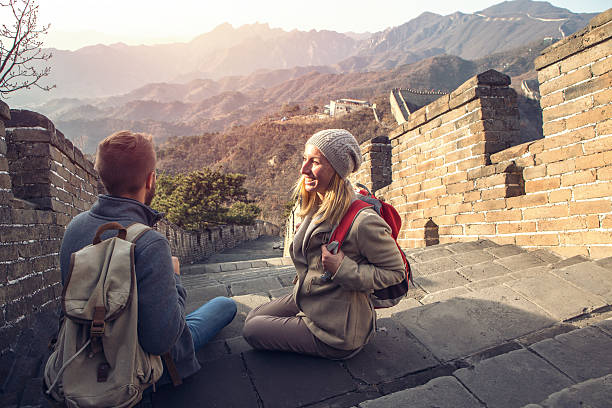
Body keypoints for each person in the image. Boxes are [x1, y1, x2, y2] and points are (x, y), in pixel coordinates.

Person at [58, 130, 237, 385]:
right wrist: (174, 278)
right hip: (142, 369)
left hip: (83, 356)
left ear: (103, 177)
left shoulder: (75, 227)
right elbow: (161, 340)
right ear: (151, 179)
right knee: (224, 305)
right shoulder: (149, 243)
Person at [242, 129, 405, 359]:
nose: (303, 169)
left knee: (252, 330)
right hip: (314, 297)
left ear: (337, 170)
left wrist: (343, 269)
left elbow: (395, 272)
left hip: (338, 330)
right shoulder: (318, 205)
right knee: (253, 316)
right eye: (304, 159)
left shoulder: (363, 222)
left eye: (315, 162)